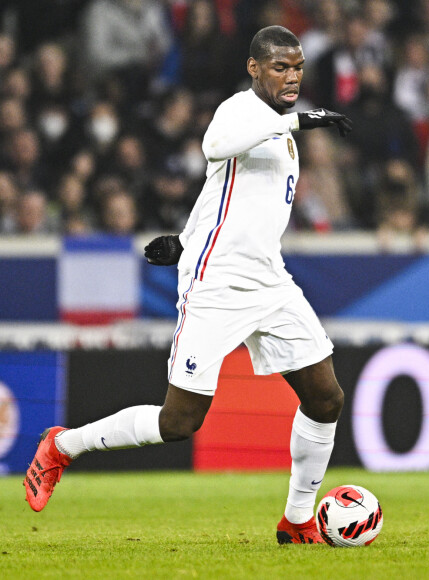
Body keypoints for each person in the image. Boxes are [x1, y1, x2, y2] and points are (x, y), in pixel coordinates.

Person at [24, 25, 352, 546]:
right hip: (217, 285)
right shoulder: (241, 111)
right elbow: (214, 146)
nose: (291, 77)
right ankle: (63, 446)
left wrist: (186, 238)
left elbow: (222, 193)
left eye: (297, 68)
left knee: (325, 397)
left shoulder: (282, 137)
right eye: (279, 67)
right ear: (254, 68)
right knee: (180, 421)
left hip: (269, 281)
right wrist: (297, 119)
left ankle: (296, 519)